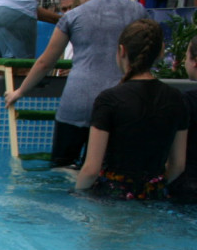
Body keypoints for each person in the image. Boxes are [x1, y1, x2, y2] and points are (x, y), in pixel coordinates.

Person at [5, 0, 148, 169]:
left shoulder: (74, 16)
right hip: (121, 101)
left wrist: (20, 91)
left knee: (61, 168)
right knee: (105, 170)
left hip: (78, 101)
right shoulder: (137, 11)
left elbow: (46, 62)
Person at [76, 19, 188, 198]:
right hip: (153, 196)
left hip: (112, 196)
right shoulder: (176, 98)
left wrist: (77, 194)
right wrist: (151, 187)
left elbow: (91, 169)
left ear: (122, 51)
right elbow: (178, 165)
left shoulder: (109, 99)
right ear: (161, 51)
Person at [169, 36, 197, 202]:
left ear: (195, 61)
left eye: (186, 57)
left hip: (188, 187)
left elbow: (177, 163)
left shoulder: (187, 102)